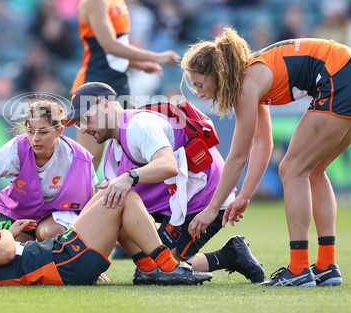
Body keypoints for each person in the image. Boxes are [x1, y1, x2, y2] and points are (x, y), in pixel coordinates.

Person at [181, 29, 351, 286]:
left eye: (200, 84)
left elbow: (238, 156)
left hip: (343, 78)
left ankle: (299, 269)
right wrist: (244, 195)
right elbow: (262, 142)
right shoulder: (252, 74)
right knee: (313, 170)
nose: (199, 93)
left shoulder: (246, 85)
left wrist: (212, 209)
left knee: (291, 168)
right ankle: (326, 266)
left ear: (218, 73)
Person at [64, 82, 266, 285]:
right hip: (176, 201)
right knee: (118, 211)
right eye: (77, 123)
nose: (83, 128)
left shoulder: (138, 127)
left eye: (85, 118)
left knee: (160, 270)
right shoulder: (117, 141)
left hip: (204, 201)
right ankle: (226, 255)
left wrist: (129, 177)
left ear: (106, 106)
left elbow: (168, 166)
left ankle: (230, 255)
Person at [0, 190, 214, 286]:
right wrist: (4, 233)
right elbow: (7, 253)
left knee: (108, 191)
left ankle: (150, 267)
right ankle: (163, 265)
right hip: (63, 262)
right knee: (123, 196)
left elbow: (4, 255)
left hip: (60, 257)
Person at [71, 0, 180, 169]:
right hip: (94, 86)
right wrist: (155, 57)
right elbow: (109, 45)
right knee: (88, 166)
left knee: (130, 158)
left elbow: (115, 48)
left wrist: (139, 65)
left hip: (119, 84)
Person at [0, 100, 98, 243]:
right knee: (10, 251)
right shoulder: (12, 151)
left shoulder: (80, 158)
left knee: (54, 234)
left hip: (55, 217)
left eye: (43, 132)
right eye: (30, 131)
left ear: (59, 131)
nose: (35, 138)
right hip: (17, 214)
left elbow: (90, 206)